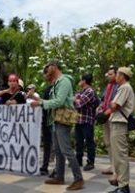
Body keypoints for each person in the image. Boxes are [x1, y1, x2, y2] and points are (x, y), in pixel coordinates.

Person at [31, 61, 84, 191]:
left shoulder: (64, 81)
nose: (46, 70)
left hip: (62, 119)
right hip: (55, 119)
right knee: (59, 151)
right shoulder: (56, 82)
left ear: (54, 67)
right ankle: (59, 177)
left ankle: (79, 179)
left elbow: (59, 101)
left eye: (47, 67)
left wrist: (40, 103)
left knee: (66, 150)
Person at [106, 67, 135, 193]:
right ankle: (121, 184)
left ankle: (124, 186)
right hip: (117, 122)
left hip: (119, 123)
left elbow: (115, 105)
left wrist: (112, 104)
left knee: (120, 155)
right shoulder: (123, 87)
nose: (115, 77)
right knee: (117, 155)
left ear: (122, 76)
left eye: (117, 74)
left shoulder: (124, 87)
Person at [74, 73, 96, 171]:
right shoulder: (81, 91)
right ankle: (78, 160)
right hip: (79, 120)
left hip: (87, 120)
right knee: (79, 141)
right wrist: (75, 100)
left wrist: (75, 99)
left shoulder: (90, 91)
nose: (79, 81)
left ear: (84, 81)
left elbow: (79, 104)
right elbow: (74, 101)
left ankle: (90, 162)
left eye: (80, 79)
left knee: (89, 141)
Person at [100, 66, 119, 176]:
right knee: (108, 142)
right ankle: (112, 165)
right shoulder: (108, 86)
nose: (108, 76)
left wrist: (107, 111)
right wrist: (100, 106)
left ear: (117, 75)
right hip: (106, 117)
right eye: (108, 74)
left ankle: (117, 168)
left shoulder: (120, 86)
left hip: (114, 117)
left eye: (111, 74)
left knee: (115, 143)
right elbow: (103, 99)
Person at [40, 66, 54, 176]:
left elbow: (50, 103)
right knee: (47, 145)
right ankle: (45, 166)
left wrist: (39, 102)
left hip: (53, 120)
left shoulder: (55, 87)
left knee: (57, 146)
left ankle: (56, 169)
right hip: (46, 120)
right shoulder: (48, 88)